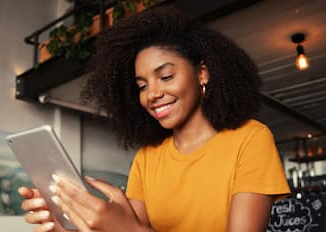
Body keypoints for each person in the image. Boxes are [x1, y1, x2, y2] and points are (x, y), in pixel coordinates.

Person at [18, 6, 290, 232]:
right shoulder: (147, 159)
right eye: (142, 85)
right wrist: (63, 226)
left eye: (166, 76)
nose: (153, 94)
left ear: (202, 74)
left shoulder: (251, 139)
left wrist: (130, 229)